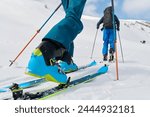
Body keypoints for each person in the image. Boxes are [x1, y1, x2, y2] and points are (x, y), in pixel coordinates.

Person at [26, 0, 87, 87]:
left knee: (71, 15)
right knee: (73, 18)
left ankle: (66, 60)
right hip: (45, 53)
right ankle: (45, 54)